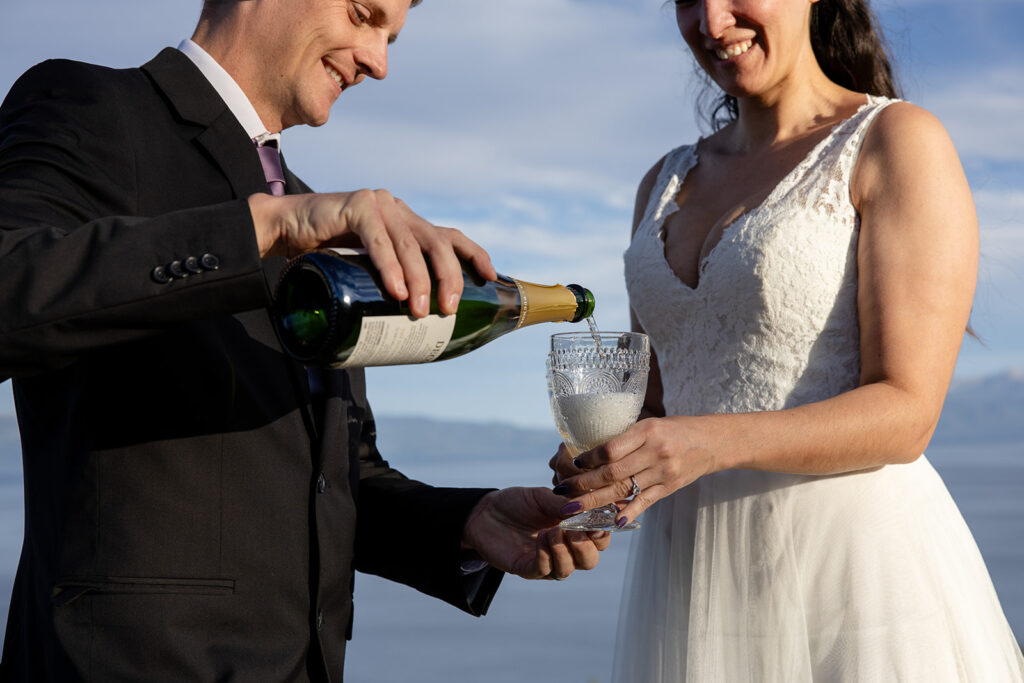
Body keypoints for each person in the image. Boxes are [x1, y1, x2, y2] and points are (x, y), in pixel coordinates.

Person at [0, 0, 609, 680]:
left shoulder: (321, 217)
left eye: (391, 37)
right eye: (364, 15)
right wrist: (266, 226)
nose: (379, 62)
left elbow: (335, 478)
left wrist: (468, 523)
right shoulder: (88, 106)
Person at [551, 0, 1024, 679]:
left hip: (853, 578)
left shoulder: (896, 140)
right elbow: (656, 398)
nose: (712, 23)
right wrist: (600, 466)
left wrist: (705, 442)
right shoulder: (662, 182)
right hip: (694, 586)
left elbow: (907, 412)